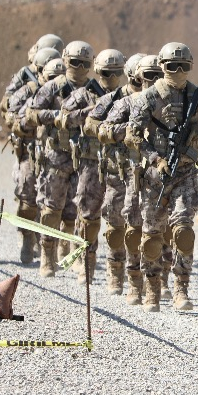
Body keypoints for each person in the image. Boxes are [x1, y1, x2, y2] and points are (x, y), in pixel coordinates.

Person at [126, 42, 198, 312]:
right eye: (173, 66)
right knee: (152, 236)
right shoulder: (149, 97)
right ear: (162, 66)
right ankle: (152, 290)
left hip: (185, 173)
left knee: (183, 230)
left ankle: (181, 289)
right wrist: (155, 159)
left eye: (184, 66)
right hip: (155, 177)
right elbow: (132, 136)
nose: (178, 71)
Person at [98, 54, 170, 304]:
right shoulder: (126, 103)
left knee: (162, 229)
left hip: (160, 175)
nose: (155, 80)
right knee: (132, 226)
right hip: (131, 174)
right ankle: (130, 280)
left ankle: (160, 281)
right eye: (149, 76)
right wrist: (128, 130)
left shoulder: (170, 104)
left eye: (159, 75)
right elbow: (102, 130)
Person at [22, 40, 94, 277]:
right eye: (74, 62)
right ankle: (47, 256)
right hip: (56, 157)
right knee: (52, 208)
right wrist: (58, 117)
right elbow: (31, 114)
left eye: (84, 63)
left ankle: (76, 254)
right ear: (65, 60)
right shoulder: (54, 87)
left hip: (85, 158)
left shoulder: (94, 90)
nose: (79, 67)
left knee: (83, 210)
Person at [64, 48, 126, 285]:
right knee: (88, 216)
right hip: (91, 164)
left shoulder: (125, 96)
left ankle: (115, 270)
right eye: (107, 72)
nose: (111, 77)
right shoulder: (84, 94)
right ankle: (86, 265)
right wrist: (90, 112)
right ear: (98, 71)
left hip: (118, 165)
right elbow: (64, 118)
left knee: (117, 218)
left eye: (116, 72)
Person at [4, 47, 61, 263]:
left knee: (53, 202)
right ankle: (28, 239)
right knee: (27, 198)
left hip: (54, 153)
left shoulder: (62, 90)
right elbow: (11, 116)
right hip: (30, 151)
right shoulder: (29, 90)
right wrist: (28, 122)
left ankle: (49, 246)